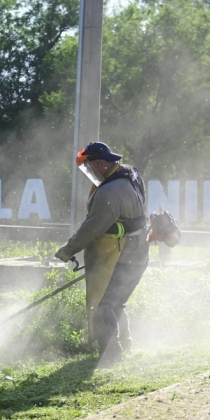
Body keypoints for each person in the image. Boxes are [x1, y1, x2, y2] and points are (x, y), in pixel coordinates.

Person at [54, 141, 149, 363]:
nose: (90, 173)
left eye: (89, 167)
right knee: (116, 303)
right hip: (138, 253)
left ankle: (111, 356)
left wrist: (68, 250)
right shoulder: (131, 175)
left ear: (99, 163)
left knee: (103, 306)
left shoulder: (109, 192)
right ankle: (125, 346)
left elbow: (92, 227)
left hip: (124, 255)